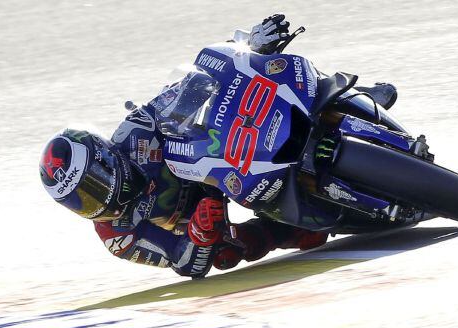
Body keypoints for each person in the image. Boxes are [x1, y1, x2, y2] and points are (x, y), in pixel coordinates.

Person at [39, 15, 396, 278]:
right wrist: (198, 232)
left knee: (276, 79)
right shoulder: (118, 237)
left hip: (218, 156)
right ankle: (314, 222)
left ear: (105, 158)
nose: (96, 201)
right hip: (209, 206)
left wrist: (250, 48)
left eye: (93, 185)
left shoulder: (133, 134)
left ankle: (353, 100)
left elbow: (189, 89)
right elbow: (182, 262)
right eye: (82, 201)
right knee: (228, 253)